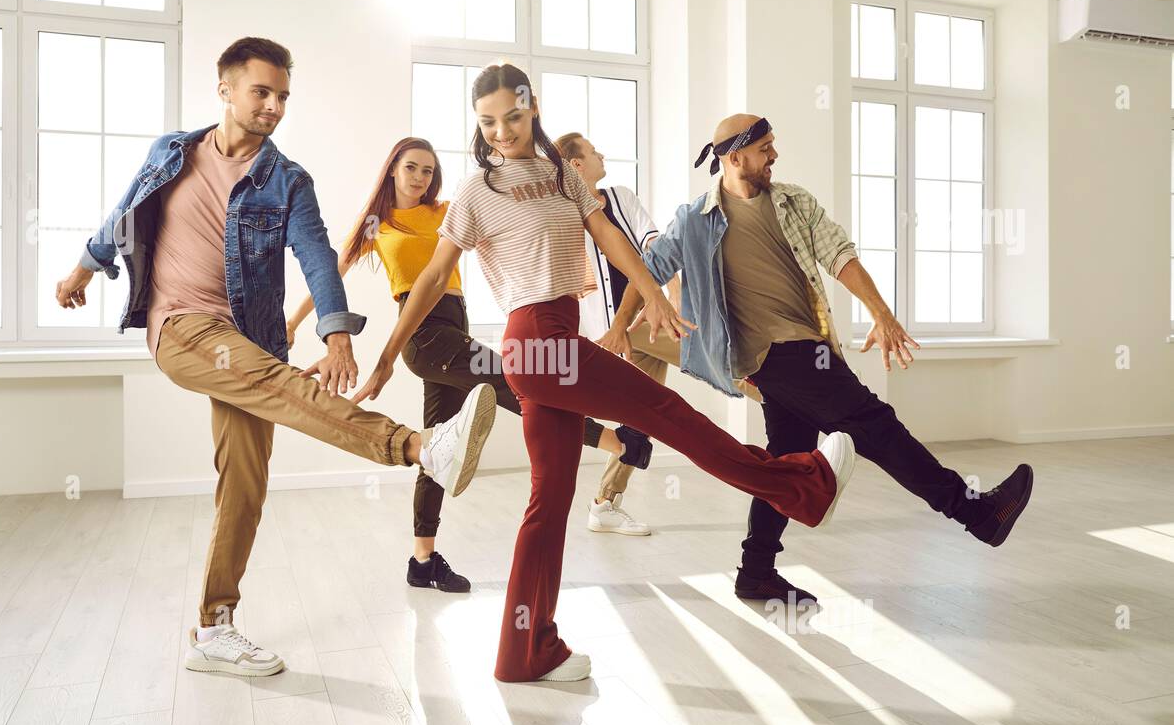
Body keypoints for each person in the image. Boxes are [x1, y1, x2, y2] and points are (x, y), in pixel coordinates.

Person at [350, 64, 856, 683]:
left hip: (552, 342)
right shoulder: (477, 190)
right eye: (488, 122)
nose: (502, 131)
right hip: (536, 341)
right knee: (671, 416)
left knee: (549, 501)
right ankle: (799, 487)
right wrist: (382, 359)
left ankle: (524, 651)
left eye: (512, 116)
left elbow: (612, 238)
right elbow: (430, 280)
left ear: (532, 108)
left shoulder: (563, 177)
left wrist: (652, 294)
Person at [54, 38, 497, 678]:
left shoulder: (287, 180)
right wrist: (81, 271)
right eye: (261, 92)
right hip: (179, 326)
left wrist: (338, 332)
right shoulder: (172, 153)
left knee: (245, 482)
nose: (273, 106)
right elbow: (124, 216)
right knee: (276, 381)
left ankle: (214, 628)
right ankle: (417, 447)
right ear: (226, 89)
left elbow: (318, 255)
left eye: (283, 96)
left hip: (250, 338)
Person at [610, 113, 1034, 606]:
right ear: (734, 157)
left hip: (808, 346)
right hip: (773, 354)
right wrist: (621, 325)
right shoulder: (694, 221)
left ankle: (756, 570)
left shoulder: (793, 201)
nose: (774, 155)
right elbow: (648, 270)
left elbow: (839, 254)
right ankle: (976, 513)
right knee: (875, 424)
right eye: (765, 147)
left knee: (787, 461)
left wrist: (881, 312)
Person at [285, 137, 652, 593]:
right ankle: (616, 441)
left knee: (437, 446)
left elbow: (509, 228)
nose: (420, 177)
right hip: (424, 335)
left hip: (454, 325)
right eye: (411, 168)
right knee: (515, 381)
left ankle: (422, 561)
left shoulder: (445, 212)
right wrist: (294, 323)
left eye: (427, 170)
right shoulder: (377, 225)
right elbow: (327, 274)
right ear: (392, 170)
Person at [557, 131, 676, 536]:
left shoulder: (621, 197)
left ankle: (605, 504)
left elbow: (654, 245)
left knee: (642, 409)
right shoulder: (565, 216)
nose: (601, 153)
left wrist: (673, 293)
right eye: (592, 151)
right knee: (716, 360)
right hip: (610, 330)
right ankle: (796, 407)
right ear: (576, 165)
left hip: (646, 315)